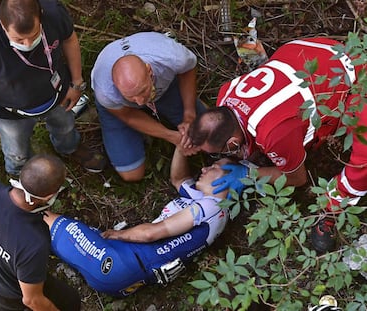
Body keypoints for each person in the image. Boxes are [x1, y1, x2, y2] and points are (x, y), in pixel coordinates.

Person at [187, 37, 367, 254]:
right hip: (314, 53)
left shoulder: (273, 133)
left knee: (363, 159)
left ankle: (331, 210)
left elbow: (297, 178)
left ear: (232, 142)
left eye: (220, 153)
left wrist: (248, 173)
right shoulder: (226, 94)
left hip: (354, 83)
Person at [42, 147, 231, 297]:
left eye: (214, 168)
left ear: (230, 181)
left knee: (50, 221)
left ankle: (20, 205)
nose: (205, 168)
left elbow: (152, 233)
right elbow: (179, 179)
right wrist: (181, 146)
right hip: (126, 277)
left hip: (121, 263)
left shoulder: (211, 206)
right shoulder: (207, 203)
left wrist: (119, 234)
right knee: (53, 236)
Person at [0, 0, 105, 176]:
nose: (27, 44)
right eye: (19, 39)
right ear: (3, 25)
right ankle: (21, 175)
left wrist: (77, 82)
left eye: (34, 36)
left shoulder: (54, 14)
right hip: (10, 112)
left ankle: (69, 148)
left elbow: (69, 40)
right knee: (16, 152)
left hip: (58, 94)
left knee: (65, 128)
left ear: (41, 17)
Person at [0, 154, 81, 311]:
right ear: (49, 197)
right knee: (70, 301)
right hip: (11, 296)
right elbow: (32, 300)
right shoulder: (34, 241)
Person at [91, 31, 206, 182]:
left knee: (206, 134)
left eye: (142, 91)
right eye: (130, 96)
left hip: (163, 89)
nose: (139, 102)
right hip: (123, 109)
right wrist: (172, 137)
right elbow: (129, 115)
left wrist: (189, 114)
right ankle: (141, 128)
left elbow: (188, 70)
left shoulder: (173, 57)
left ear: (149, 70)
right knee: (132, 174)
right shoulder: (105, 91)